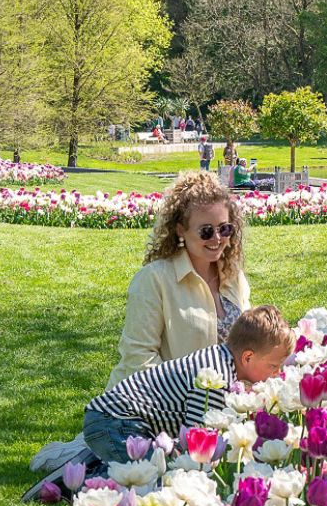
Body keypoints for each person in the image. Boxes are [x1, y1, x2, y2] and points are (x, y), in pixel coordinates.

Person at [83, 306, 293, 464]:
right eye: (274, 365)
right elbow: (196, 441)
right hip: (116, 421)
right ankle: (82, 481)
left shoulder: (220, 359)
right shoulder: (215, 379)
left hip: (119, 419)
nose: (278, 372)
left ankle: (92, 464)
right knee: (148, 478)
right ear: (247, 357)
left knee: (147, 469)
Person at [110, 171, 252, 389]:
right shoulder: (153, 280)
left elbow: (248, 343)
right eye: (206, 231)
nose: (217, 238)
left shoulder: (234, 276)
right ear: (180, 231)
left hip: (217, 407)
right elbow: (138, 359)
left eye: (225, 228)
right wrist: (188, 403)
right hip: (152, 408)